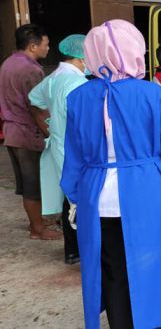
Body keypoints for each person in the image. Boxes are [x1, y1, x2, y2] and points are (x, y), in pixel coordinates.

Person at [60, 19, 161, 329]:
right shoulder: (152, 95)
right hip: (147, 194)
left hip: (97, 198)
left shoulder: (78, 98)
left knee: (112, 269)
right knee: (150, 266)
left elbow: (73, 156)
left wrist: (74, 198)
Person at [28, 34, 89, 264]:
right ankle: (83, 251)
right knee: (80, 200)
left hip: (58, 146)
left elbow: (34, 98)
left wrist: (50, 123)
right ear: (81, 56)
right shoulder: (77, 83)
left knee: (69, 198)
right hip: (75, 149)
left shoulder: (54, 77)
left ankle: (71, 251)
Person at [0, 24, 61, 240]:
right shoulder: (31, 70)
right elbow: (37, 109)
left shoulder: (8, 62)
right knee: (33, 183)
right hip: (27, 133)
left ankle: (37, 222)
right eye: (45, 44)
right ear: (33, 45)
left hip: (12, 132)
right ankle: (37, 229)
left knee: (28, 183)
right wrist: (52, 133)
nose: (48, 48)